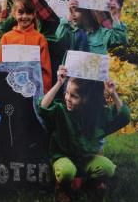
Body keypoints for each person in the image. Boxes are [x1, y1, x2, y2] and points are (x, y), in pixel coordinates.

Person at [38, 66, 130, 201]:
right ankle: (63, 188)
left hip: (86, 159)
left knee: (108, 167)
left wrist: (113, 93)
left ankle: (90, 184)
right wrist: (59, 83)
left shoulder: (97, 115)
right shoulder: (60, 110)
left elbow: (124, 117)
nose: (68, 98)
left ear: (88, 100)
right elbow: (42, 107)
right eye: (67, 93)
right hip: (64, 157)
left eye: (74, 96)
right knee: (67, 172)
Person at [0, 0, 52, 93]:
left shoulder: (40, 39)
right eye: (21, 12)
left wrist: (42, 93)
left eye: (29, 13)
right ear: (14, 14)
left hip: (33, 92)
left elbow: (45, 71)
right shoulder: (6, 38)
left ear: (34, 14)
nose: (24, 16)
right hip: (9, 90)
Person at [55, 0, 128, 55]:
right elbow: (60, 37)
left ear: (87, 13)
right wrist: (69, 14)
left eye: (76, 10)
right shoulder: (72, 33)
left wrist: (115, 16)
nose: (73, 14)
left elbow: (121, 39)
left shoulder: (102, 33)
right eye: (71, 10)